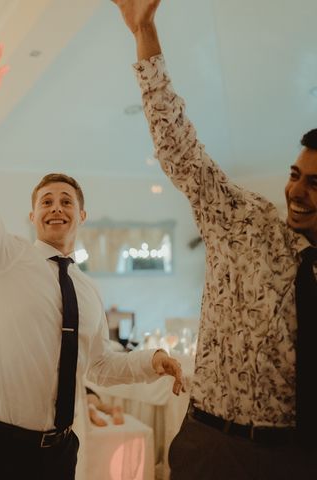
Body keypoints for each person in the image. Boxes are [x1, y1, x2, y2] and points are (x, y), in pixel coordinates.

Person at [0, 37, 184, 480]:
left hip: (60, 453)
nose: (56, 207)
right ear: (33, 214)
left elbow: (99, 364)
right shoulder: (6, 258)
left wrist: (150, 360)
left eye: (66, 201)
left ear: (82, 215)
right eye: (47, 201)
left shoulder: (88, 290)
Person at [111, 0, 317, 478]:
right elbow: (179, 146)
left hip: (292, 458)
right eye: (294, 174)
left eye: (314, 183)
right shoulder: (245, 223)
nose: (297, 191)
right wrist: (145, 33)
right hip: (209, 445)